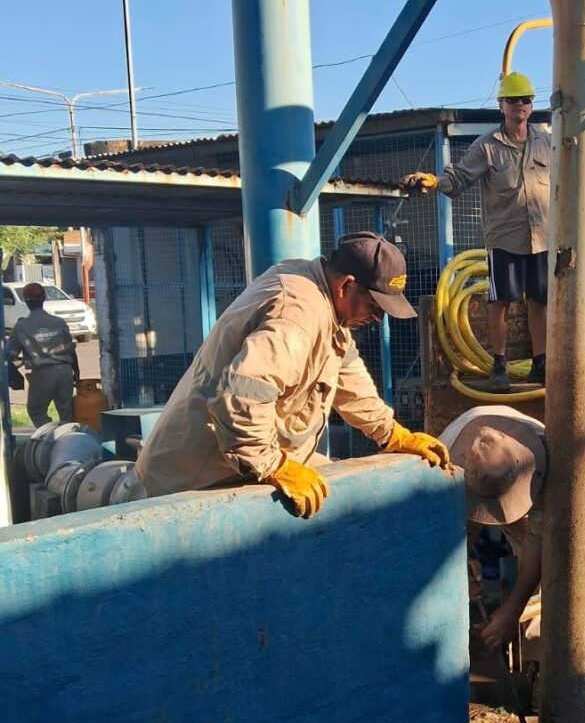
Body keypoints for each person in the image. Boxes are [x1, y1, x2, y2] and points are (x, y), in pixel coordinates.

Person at [135, 232, 450, 517]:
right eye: (374, 306)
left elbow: (348, 376)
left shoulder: (325, 302)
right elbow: (242, 396)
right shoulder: (298, 311)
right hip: (195, 476)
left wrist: (392, 434)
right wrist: (274, 466)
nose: (377, 318)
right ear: (347, 285)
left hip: (234, 463)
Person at [403, 71, 550, 393]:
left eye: (525, 100)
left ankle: (541, 362)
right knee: (501, 303)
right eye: (513, 100)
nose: (519, 106)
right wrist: (433, 181)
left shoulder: (546, 142)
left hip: (541, 237)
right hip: (505, 237)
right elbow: (459, 178)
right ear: (501, 105)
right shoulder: (487, 146)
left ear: (531, 105)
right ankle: (500, 365)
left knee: (540, 300)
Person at [439, 405, 545, 651]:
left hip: (527, 489)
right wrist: (466, 556)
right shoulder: (445, 457)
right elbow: (452, 525)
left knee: (550, 571)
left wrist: (513, 609)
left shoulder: (546, 466)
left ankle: (533, 655)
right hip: (469, 485)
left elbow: (540, 547)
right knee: (458, 566)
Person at [9, 282, 79, 427]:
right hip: (65, 370)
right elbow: (71, 350)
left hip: (42, 374)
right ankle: (67, 440)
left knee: (36, 410)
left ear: (26, 300)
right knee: (66, 412)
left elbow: (10, 355)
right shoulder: (59, 322)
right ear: (44, 298)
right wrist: (76, 373)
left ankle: (50, 437)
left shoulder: (21, 326)